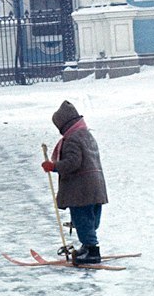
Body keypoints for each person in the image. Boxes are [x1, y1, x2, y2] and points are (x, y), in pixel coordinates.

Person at [41, 100, 109, 266]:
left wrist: (54, 166)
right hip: (95, 186)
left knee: (82, 219)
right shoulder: (86, 134)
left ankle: (92, 251)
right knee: (90, 219)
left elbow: (73, 162)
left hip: (81, 190)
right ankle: (88, 246)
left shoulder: (72, 139)